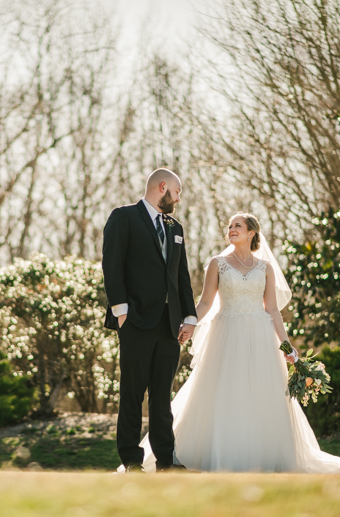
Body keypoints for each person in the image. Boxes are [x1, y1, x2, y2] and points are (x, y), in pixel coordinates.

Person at [139, 212, 340, 474]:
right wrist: (189, 322)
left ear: (251, 233)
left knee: (261, 394)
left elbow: (273, 310)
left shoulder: (265, 268)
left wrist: (287, 346)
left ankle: (261, 456)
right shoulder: (217, 263)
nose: (231, 229)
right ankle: (214, 453)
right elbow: (206, 303)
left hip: (260, 337)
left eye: (238, 226)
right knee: (225, 391)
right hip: (227, 335)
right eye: (230, 225)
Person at [102, 168, 197, 473]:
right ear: (162, 187)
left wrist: (189, 317)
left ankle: (166, 461)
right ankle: (131, 461)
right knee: (132, 393)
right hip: (135, 320)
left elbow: (180, 276)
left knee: (162, 396)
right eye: (177, 192)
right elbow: (112, 263)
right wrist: (121, 310)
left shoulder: (175, 227)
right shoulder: (123, 217)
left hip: (169, 325)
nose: (178, 199)